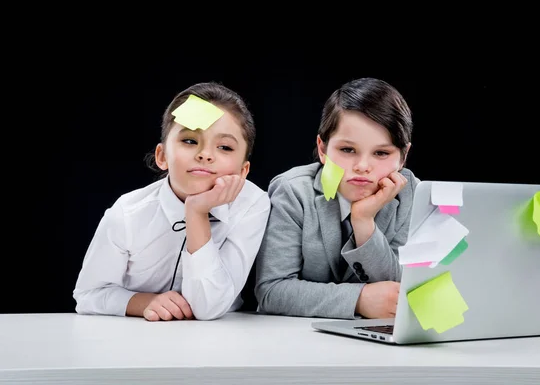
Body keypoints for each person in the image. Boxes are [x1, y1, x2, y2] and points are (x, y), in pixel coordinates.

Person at [73, 82, 271, 321]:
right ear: (162, 156)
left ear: (243, 170)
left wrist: (197, 212)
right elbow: (88, 294)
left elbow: (208, 307)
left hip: (218, 340)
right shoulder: (127, 213)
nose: (205, 154)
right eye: (189, 141)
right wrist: (144, 302)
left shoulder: (252, 204)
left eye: (224, 147)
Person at [255, 77, 419, 320]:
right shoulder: (294, 191)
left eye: (381, 153)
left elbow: (398, 292)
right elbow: (271, 290)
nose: (362, 166)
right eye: (347, 150)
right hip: (295, 339)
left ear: (403, 157)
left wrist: (363, 222)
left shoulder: (410, 194)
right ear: (322, 149)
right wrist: (359, 300)